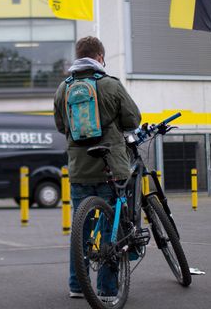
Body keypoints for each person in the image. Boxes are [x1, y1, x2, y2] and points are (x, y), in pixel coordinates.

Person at [52, 36, 141, 299]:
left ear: (78, 56)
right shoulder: (110, 85)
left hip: (79, 169)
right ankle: (106, 289)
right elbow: (133, 119)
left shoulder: (63, 89)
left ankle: (76, 285)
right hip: (110, 168)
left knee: (81, 230)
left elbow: (60, 126)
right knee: (111, 229)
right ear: (100, 57)